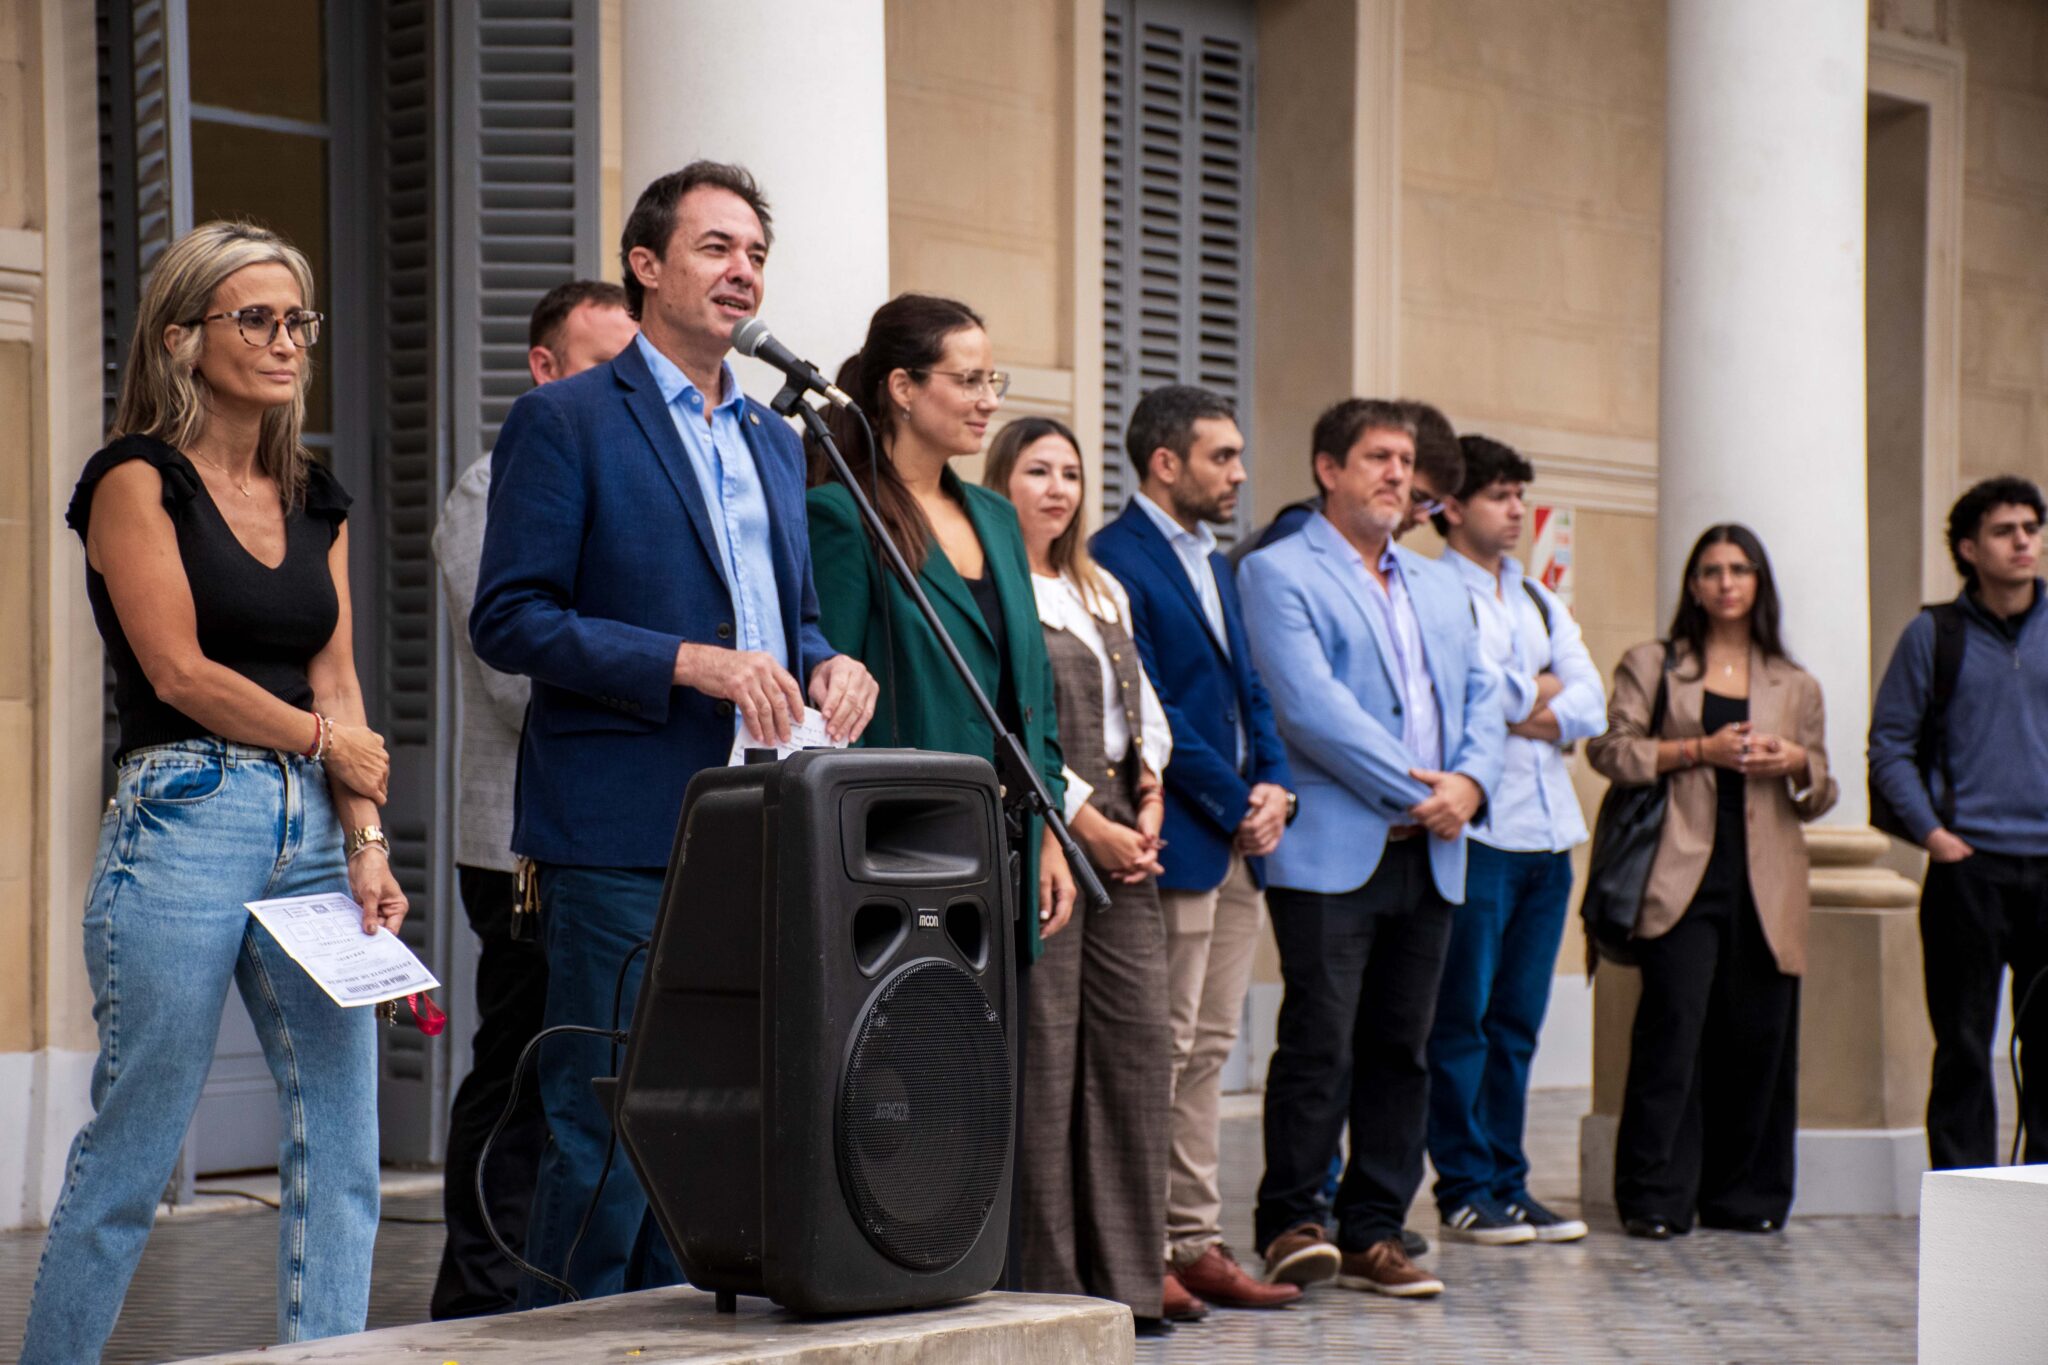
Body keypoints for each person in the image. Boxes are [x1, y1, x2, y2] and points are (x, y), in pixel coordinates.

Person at [470, 162, 877, 1305]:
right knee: (606, 1122)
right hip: (621, 829)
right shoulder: (566, 420)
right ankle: (572, 1341)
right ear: (645, 266)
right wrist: (684, 662)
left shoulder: (773, 440)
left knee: (714, 1117)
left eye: (755, 253)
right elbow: (510, 619)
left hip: (759, 823)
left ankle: (678, 1332)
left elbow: (792, 619)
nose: (742, 270)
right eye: (715, 247)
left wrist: (830, 663)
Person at [22, 221, 403, 1362]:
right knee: (136, 1146)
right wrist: (328, 743)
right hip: (185, 811)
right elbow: (179, 671)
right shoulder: (135, 479)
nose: (286, 341)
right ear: (182, 338)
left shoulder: (312, 493)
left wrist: (368, 843)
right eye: (257, 319)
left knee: (345, 1144)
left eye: (298, 321)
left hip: (313, 827)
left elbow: (338, 675)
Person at [1238, 398, 1501, 1299]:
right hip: (1333, 849)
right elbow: (1311, 710)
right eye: (1377, 457)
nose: (1397, 474)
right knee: (1321, 1040)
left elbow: (1484, 699)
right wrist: (1427, 793)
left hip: (1432, 850)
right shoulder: (1278, 571)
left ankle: (1376, 1228)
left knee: (1404, 1046)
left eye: (1404, 460)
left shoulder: (1440, 584)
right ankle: (1291, 1220)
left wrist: (1471, 785)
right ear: (1328, 469)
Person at [428, 279, 637, 1319]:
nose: (626, 386)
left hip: (612, 831)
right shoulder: (491, 484)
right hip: (518, 845)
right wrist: (663, 668)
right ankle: (476, 1294)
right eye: (603, 365)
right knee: (519, 1077)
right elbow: (517, 678)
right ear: (544, 368)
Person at [1089, 385, 1301, 1314]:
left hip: (1241, 841)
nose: (1241, 473)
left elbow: (1252, 689)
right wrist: (1232, 798)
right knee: (1163, 1050)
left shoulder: (1214, 559)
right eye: (1223, 456)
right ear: (1165, 462)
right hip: (1176, 832)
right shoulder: (1113, 557)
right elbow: (1151, 704)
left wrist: (1277, 784)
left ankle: (1195, 1237)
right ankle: (1144, 1250)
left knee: (1211, 1047)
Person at [1588, 524, 1835, 1238]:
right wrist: (1699, 749)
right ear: (1693, 586)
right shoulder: (1655, 663)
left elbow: (1820, 791)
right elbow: (1611, 751)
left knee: (1759, 1038)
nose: (1726, 583)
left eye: (1740, 569)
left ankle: (1745, 1196)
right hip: (1679, 871)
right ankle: (1654, 1196)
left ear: (1759, 582)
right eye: (1711, 571)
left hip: (1768, 877)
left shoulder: (1795, 682)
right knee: (1672, 1033)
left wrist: (1795, 761)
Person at [985, 418, 1176, 1332]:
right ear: (1001, 483)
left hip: (1125, 830)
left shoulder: (1101, 587)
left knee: (1138, 1052)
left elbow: (1145, 711)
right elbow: (1010, 721)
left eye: (1069, 472)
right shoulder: (998, 586)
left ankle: (1130, 1283)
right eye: (1037, 471)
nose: (1058, 488)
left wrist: (1152, 793)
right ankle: (1053, 1286)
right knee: (1049, 1054)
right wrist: (1084, 820)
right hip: (1047, 828)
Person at [1423, 434, 1604, 1245]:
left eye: (1519, 495)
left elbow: (1591, 699)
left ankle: (1508, 1178)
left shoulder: (1535, 596)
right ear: (1453, 506)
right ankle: (1464, 1184)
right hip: (1482, 832)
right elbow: (1471, 693)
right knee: (1463, 1017)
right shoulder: (1436, 590)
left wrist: (1527, 702)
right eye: (1499, 495)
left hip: (1549, 834)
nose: (1515, 510)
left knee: (1519, 1021)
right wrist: (1539, 695)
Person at [1871, 477, 2048, 1168]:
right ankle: (1964, 1198)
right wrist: (1933, 835)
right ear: (1970, 549)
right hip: (1966, 870)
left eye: (2031, 528)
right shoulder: (1933, 635)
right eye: (2005, 531)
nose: (2024, 542)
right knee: (1965, 1048)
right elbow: (1889, 745)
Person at [1234, 399, 1461, 559]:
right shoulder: (1296, 534)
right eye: (1418, 497)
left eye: (1433, 506)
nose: (1423, 517)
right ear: (1329, 470)